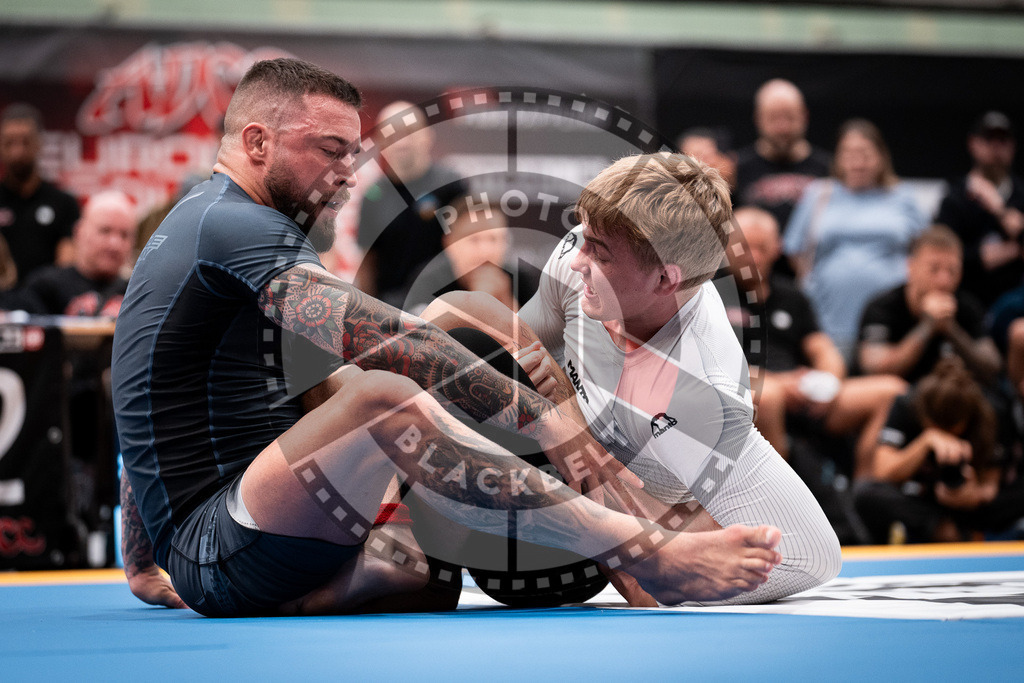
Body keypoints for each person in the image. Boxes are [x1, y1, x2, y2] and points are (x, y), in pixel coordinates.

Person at [112, 58, 783, 617]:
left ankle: (357, 577)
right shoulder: (238, 226)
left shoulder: (208, 221)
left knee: (422, 561)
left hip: (248, 529)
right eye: (330, 151)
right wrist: (551, 422)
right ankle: (643, 549)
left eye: (353, 153)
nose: (349, 173)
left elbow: (145, 379)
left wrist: (141, 559)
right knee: (385, 394)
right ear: (257, 143)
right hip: (225, 548)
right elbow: (384, 341)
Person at [421, 153, 842, 605]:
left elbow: (813, 557)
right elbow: (488, 331)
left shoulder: (702, 389)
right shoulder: (580, 253)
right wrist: (560, 406)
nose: (577, 259)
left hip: (583, 537)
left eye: (598, 253)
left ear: (664, 280)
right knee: (464, 348)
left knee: (536, 572)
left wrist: (664, 568)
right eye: (583, 236)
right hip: (544, 473)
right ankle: (413, 552)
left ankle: (425, 566)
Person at [730, 206, 905, 468]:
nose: (754, 257)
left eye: (762, 248)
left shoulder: (792, 296)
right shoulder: (712, 294)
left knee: (892, 392)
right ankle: (779, 489)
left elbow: (822, 349)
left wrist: (828, 384)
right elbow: (709, 362)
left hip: (800, 392)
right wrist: (779, 383)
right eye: (745, 248)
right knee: (769, 396)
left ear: (778, 248)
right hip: (744, 390)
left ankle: (867, 485)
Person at [783, 118, 928, 360]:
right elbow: (794, 250)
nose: (857, 162)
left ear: (881, 156)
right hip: (828, 318)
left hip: (890, 323)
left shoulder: (903, 196)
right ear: (838, 158)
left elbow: (924, 250)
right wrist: (822, 280)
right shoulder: (818, 194)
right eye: (849, 154)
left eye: (865, 154)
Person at [854, 358, 1003, 544]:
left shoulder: (988, 414)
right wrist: (926, 441)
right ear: (923, 414)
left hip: (969, 506)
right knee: (865, 492)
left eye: (951, 429)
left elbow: (992, 484)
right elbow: (882, 472)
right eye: (936, 426)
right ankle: (944, 531)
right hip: (921, 505)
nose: (944, 433)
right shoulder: (908, 404)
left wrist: (974, 495)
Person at [354, 101, 467, 308]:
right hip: (390, 311)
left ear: (427, 136)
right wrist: (367, 313)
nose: (401, 143)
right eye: (391, 135)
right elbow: (367, 264)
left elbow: (472, 249)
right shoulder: (372, 196)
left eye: (409, 132)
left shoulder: (451, 186)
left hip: (445, 308)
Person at [857, 225, 1001, 387]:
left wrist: (951, 329)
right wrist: (927, 326)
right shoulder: (882, 308)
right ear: (911, 267)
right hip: (902, 396)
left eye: (952, 270)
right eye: (934, 269)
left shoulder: (967, 306)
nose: (944, 280)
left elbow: (992, 369)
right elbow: (874, 370)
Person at [935, 111, 1024, 309]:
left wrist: (999, 210)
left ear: (1013, 146)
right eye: (989, 139)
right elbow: (942, 252)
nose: (996, 147)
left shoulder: (1020, 193)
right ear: (973, 143)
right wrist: (980, 256)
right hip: (965, 302)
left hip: (1017, 302)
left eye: (1003, 140)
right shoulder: (955, 197)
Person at [3, 190, 136, 316]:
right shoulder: (43, 288)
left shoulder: (137, 293)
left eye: (124, 235)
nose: (115, 244)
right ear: (79, 232)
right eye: (105, 231)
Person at [402, 195, 539, 315]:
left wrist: (507, 302)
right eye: (474, 239)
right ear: (450, 244)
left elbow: (537, 335)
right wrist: (475, 304)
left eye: (493, 239)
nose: (485, 251)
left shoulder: (521, 281)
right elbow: (418, 333)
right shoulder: (427, 282)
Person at [732, 79, 830, 235]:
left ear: (804, 116)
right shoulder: (735, 168)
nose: (783, 127)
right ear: (758, 118)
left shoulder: (829, 168)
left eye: (790, 117)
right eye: (773, 118)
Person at [0, 103, 79, 284]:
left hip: (46, 298)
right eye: (9, 143)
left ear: (39, 143)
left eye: (25, 142)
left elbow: (66, 269)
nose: (17, 151)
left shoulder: (63, 203)